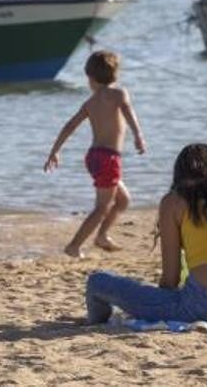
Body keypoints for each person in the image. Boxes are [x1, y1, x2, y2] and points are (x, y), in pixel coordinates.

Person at [84, 143, 207, 324]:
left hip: (204, 306)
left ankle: (95, 323)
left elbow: (171, 278)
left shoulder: (174, 201)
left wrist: (162, 300)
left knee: (97, 282)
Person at [44, 50, 146, 258]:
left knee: (123, 200)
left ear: (90, 78)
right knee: (101, 208)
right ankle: (74, 246)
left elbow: (70, 126)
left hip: (94, 157)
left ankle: (102, 236)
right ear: (115, 74)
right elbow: (128, 111)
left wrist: (54, 151)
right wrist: (138, 135)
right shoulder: (119, 94)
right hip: (108, 159)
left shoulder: (90, 103)